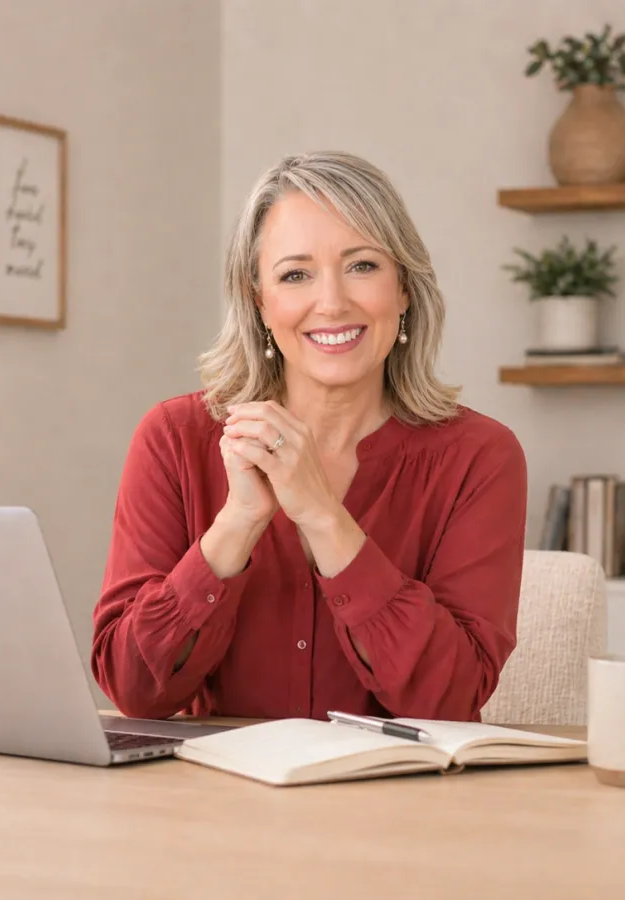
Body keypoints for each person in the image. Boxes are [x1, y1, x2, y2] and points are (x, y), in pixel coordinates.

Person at [91, 150, 527, 723]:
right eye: (295, 274)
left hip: (401, 783)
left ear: (404, 288)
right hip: (212, 782)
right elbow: (133, 689)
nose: (332, 303)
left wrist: (322, 515)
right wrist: (238, 523)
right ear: (259, 302)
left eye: (362, 265)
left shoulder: (480, 457)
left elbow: (449, 699)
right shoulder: (174, 439)